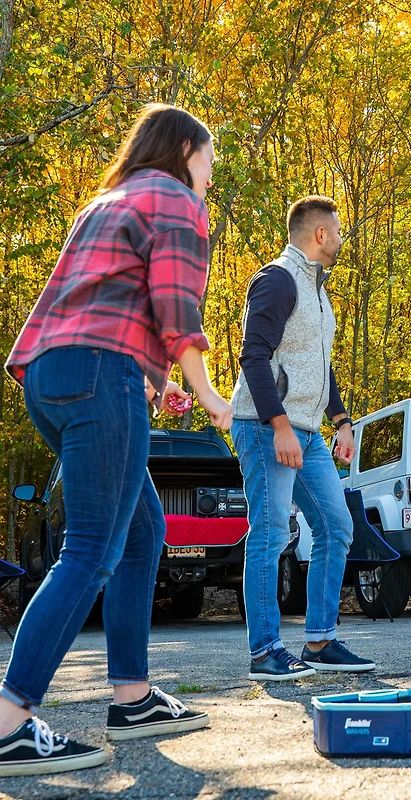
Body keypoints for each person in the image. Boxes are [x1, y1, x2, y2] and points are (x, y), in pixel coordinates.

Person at [1, 103, 232, 776]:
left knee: (141, 532)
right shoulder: (177, 200)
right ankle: (10, 720)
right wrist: (210, 391)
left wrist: (155, 381)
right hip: (102, 375)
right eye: (211, 160)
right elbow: (176, 306)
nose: (211, 177)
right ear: (186, 149)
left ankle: (132, 697)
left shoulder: (109, 199)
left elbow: (102, 303)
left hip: (50, 375)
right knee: (93, 550)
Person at [230, 195, 374, 681]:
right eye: (336, 231)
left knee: (337, 527)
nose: (340, 239)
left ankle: (319, 640)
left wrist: (342, 420)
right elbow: (252, 358)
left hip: (309, 434)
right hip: (264, 428)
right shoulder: (277, 280)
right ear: (319, 234)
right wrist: (280, 425)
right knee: (271, 535)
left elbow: (317, 364)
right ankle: (265, 652)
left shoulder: (317, 289)